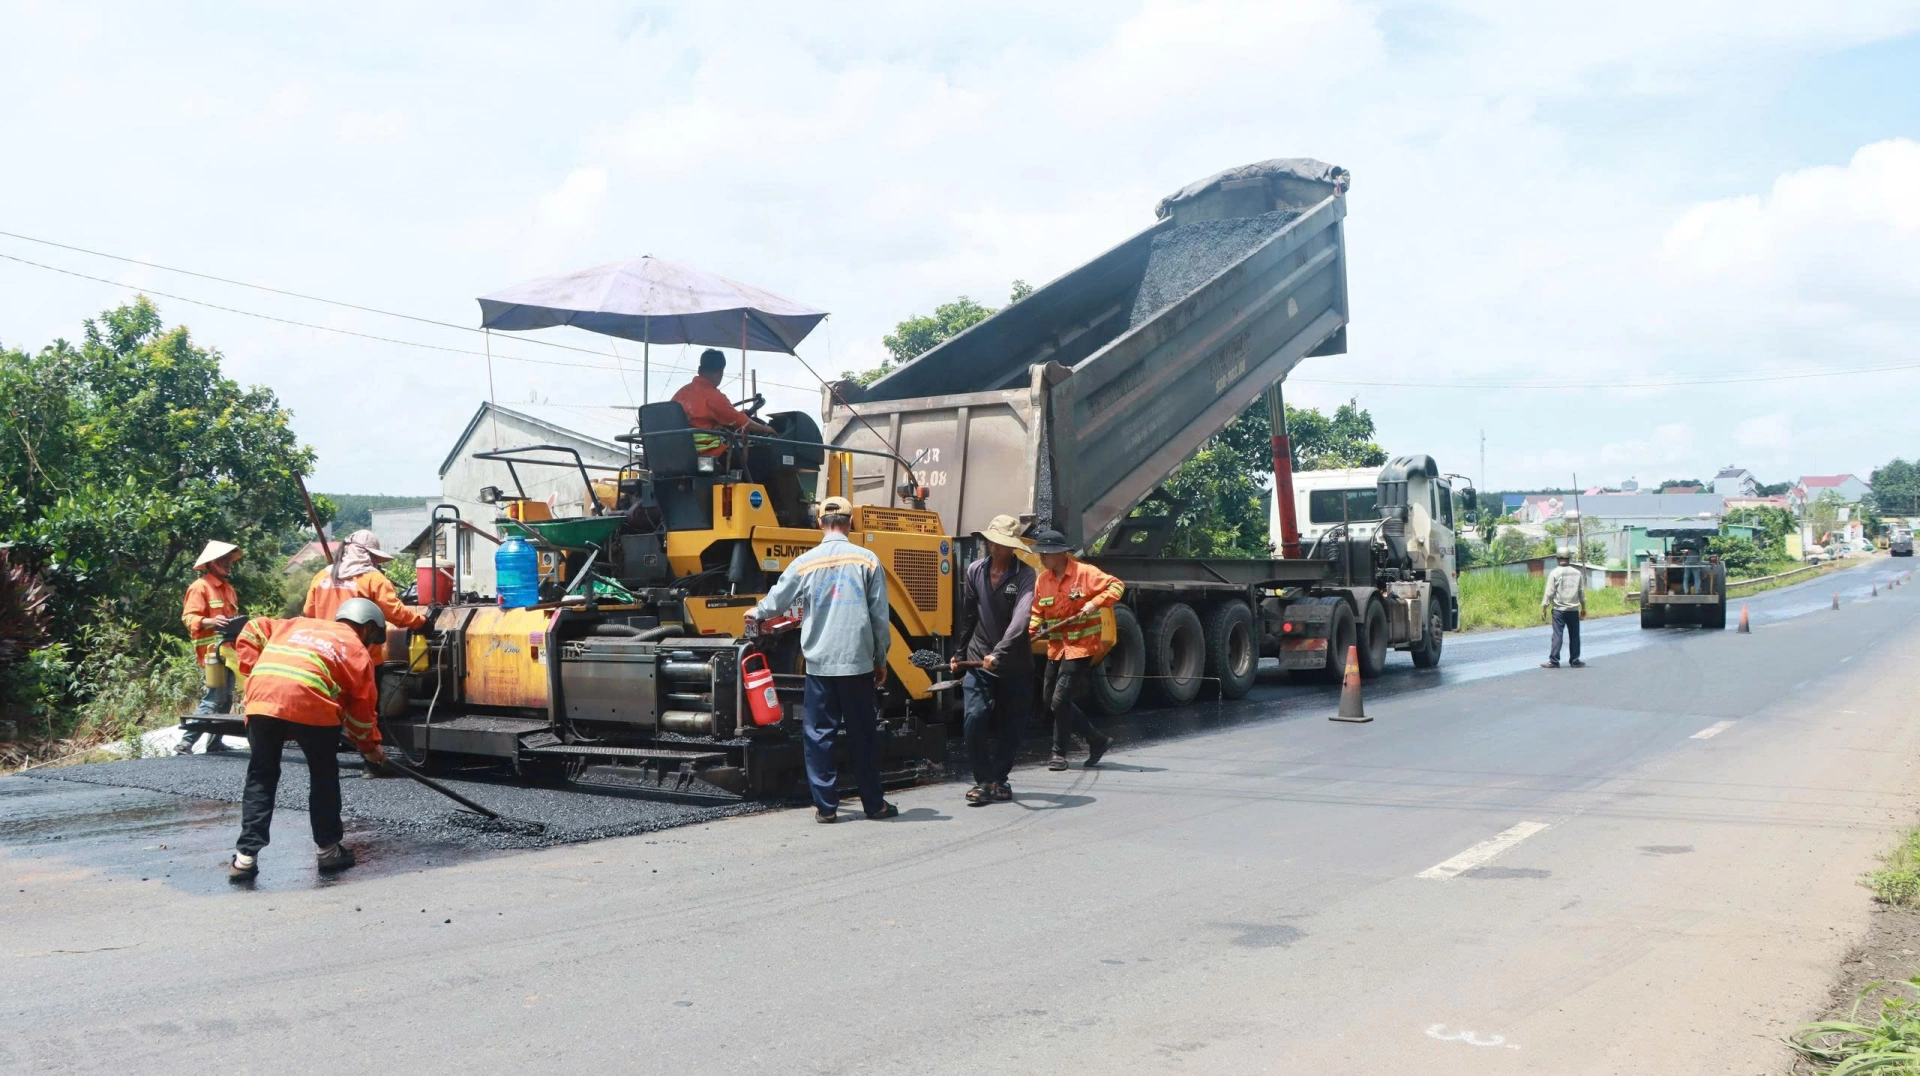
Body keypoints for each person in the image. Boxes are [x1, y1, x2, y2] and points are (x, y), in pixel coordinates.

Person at [745, 495, 897, 823]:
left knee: (818, 735)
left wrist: (756, 611)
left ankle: (827, 808)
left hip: (820, 664)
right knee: (863, 736)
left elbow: (778, 600)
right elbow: (879, 618)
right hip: (857, 664)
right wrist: (880, 658)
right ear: (851, 522)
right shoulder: (867, 560)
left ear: (818, 523)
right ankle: (874, 804)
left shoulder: (806, 562)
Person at [225, 598, 388, 880]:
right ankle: (328, 851)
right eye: (374, 638)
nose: (371, 645)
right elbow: (362, 715)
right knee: (323, 775)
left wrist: (256, 672)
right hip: (313, 706)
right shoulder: (357, 651)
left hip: (263, 700)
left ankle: (244, 859)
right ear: (368, 628)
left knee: (261, 776)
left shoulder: (295, 624)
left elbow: (250, 630)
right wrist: (371, 749)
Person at [951, 515, 1036, 806]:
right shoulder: (975, 570)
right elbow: (968, 616)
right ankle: (984, 780)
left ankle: (999, 780)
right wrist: (960, 654)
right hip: (978, 658)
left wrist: (999, 653)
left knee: (1011, 727)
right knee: (974, 717)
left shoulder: (1025, 575)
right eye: (991, 541)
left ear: (1012, 547)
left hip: (1014, 663)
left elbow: (1021, 619)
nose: (993, 547)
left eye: (1000, 543)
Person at [1028, 529, 1123, 771]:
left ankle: (1058, 754)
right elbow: (1038, 611)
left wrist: (1094, 603)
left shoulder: (1085, 573)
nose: (1042, 558)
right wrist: (1030, 632)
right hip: (1057, 648)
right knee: (1050, 699)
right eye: (1041, 554)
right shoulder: (1043, 580)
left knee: (1060, 700)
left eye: (1046, 554)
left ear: (1061, 554)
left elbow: (1116, 586)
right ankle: (1097, 740)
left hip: (1081, 646)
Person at [303, 529, 427, 664]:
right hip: (361, 659)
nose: (375, 563)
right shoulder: (374, 579)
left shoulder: (322, 575)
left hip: (327, 654)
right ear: (366, 555)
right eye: (374, 558)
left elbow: (309, 612)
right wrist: (421, 622)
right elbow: (394, 612)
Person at [178, 540, 242, 754]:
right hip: (212, 653)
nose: (227, 563)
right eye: (223, 559)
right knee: (215, 697)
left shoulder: (228, 589)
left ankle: (215, 743)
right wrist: (211, 621)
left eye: (228, 559)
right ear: (211, 563)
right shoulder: (200, 587)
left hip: (229, 651)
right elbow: (188, 618)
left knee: (226, 698)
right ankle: (186, 742)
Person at [670, 348, 776, 457]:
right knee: (763, 456)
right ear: (721, 372)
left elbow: (723, 417)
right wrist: (766, 429)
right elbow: (740, 422)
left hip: (680, 454)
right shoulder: (713, 396)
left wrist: (739, 415)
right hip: (707, 455)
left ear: (699, 370)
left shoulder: (679, 394)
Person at [1540, 551, 1587, 668]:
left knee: (1557, 635)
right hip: (1573, 610)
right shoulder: (1577, 573)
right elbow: (1581, 592)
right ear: (1569, 558)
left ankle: (1554, 661)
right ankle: (1575, 660)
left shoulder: (1554, 573)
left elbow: (1549, 592)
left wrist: (1544, 608)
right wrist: (1584, 607)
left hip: (1559, 610)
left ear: (1558, 559)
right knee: (1574, 635)